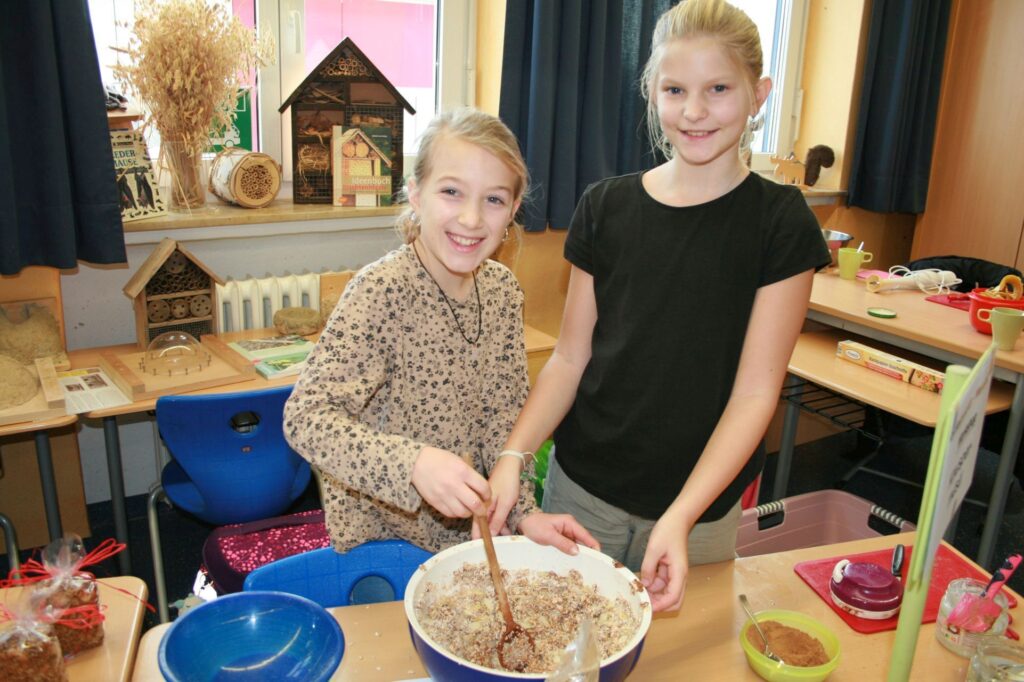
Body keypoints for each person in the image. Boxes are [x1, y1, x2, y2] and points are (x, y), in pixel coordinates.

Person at [486, 0, 831, 613]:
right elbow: (570, 358)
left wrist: (680, 516)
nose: (694, 111)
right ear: (651, 92)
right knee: (563, 639)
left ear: (759, 94)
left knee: (682, 654)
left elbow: (756, 393)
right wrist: (515, 454)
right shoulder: (605, 207)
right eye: (675, 90)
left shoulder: (780, 222)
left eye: (718, 89)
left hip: (698, 511)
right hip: (582, 492)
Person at [283, 108, 598, 557]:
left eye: (493, 200)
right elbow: (306, 419)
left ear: (512, 210)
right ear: (416, 194)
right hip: (384, 544)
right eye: (452, 192)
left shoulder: (503, 292)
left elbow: (503, 418)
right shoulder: (381, 291)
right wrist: (413, 465)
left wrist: (521, 512)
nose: (471, 219)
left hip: (468, 540)